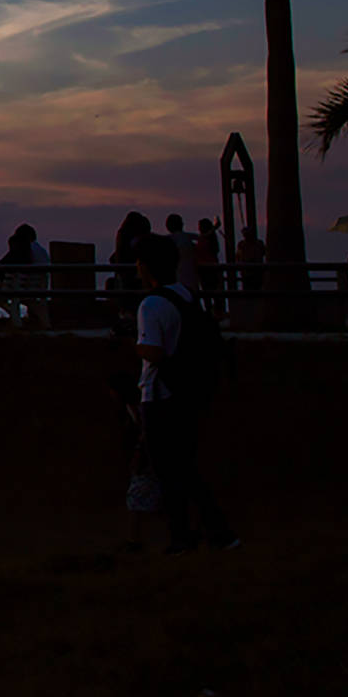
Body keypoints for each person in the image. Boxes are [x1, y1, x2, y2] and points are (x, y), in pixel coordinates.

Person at [133, 236, 237, 554]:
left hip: (160, 394)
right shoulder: (187, 296)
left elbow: (154, 351)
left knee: (171, 471)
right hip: (187, 390)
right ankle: (208, 533)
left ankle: (191, 535)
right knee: (185, 467)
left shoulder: (151, 304)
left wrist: (132, 340)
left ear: (146, 267)